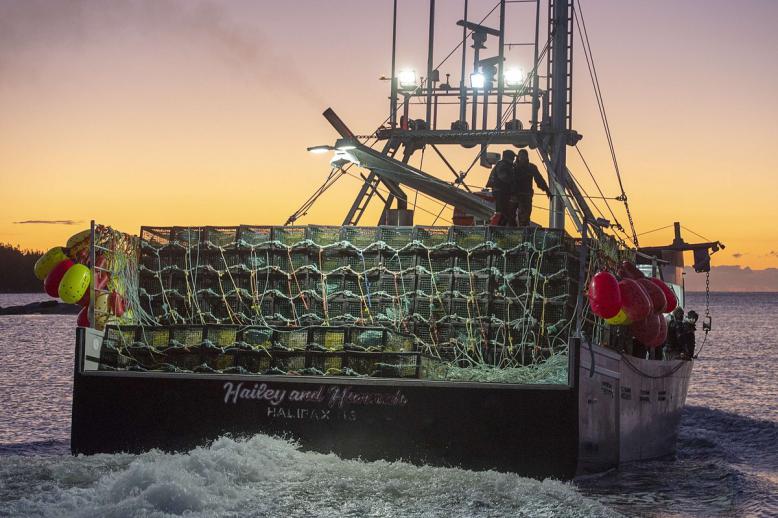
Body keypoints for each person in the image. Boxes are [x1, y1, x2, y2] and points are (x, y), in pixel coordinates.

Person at [512, 149, 551, 226]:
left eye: (524, 156)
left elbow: (539, 179)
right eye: (521, 156)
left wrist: (546, 189)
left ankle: (523, 230)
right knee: (510, 216)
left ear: (527, 157)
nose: (522, 158)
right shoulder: (513, 167)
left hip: (525, 195)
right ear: (518, 157)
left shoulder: (531, 167)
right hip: (513, 195)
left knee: (524, 218)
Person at [486, 150, 517, 226]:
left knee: (503, 212)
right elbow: (503, 177)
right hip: (501, 192)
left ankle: (500, 226)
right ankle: (497, 227)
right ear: (508, 157)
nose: (514, 159)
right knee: (502, 212)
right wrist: (513, 182)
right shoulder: (503, 165)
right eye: (513, 157)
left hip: (501, 191)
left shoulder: (505, 165)